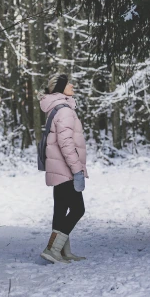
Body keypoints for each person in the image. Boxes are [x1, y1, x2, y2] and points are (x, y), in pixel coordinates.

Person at [38, 73, 88, 264]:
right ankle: (53, 249)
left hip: (57, 167)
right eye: (69, 83)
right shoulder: (65, 110)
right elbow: (66, 143)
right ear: (60, 87)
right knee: (78, 209)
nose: (73, 85)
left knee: (60, 210)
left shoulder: (54, 108)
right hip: (65, 169)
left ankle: (62, 252)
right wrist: (77, 170)